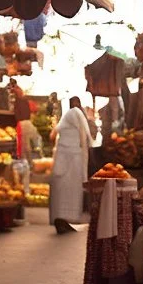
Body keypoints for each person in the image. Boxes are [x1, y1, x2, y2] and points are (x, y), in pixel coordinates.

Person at [50, 97, 94, 233]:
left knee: (63, 190)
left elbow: (53, 134)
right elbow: (85, 139)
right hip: (76, 158)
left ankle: (62, 219)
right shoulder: (80, 116)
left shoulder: (69, 115)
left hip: (66, 156)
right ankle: (70, 219)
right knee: (73, 190)